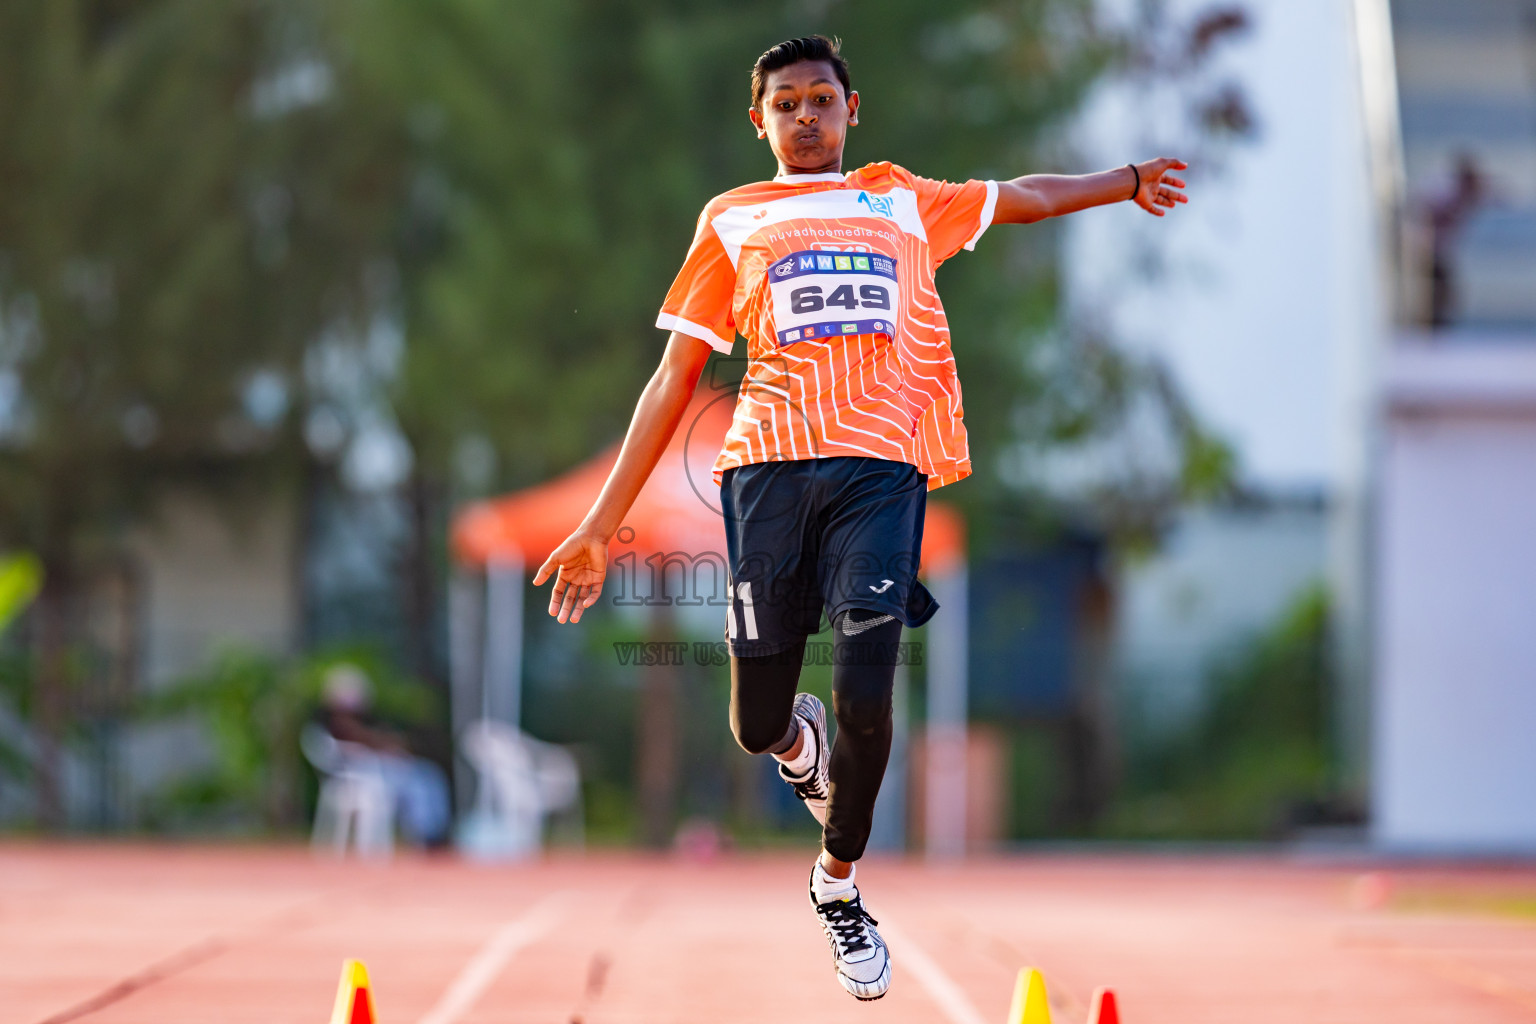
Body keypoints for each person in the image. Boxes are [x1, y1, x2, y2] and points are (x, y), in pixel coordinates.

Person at [532, 35, 1187, 1000]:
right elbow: (676, 377)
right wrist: (599, 522)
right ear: (760, 121)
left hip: (881, 471)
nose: (805, 116)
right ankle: (797, 742)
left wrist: (1124, 179)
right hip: (766, 475)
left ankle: (837, 886)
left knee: (871, 696)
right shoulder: (732, 220)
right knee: (757, 725)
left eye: (820, 100)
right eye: (785, 103)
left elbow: (1026, 194)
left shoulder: (900, 200)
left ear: (851, 111)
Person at [315, 664, 451, 849]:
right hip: (362, 779)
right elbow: (363, 746)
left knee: (427, 776)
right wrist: (382, 745)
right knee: (419, 784)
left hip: (380, 774)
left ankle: (429, 833)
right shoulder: (333, 725)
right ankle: (428, 837)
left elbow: (386, 742)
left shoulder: (362, 721)